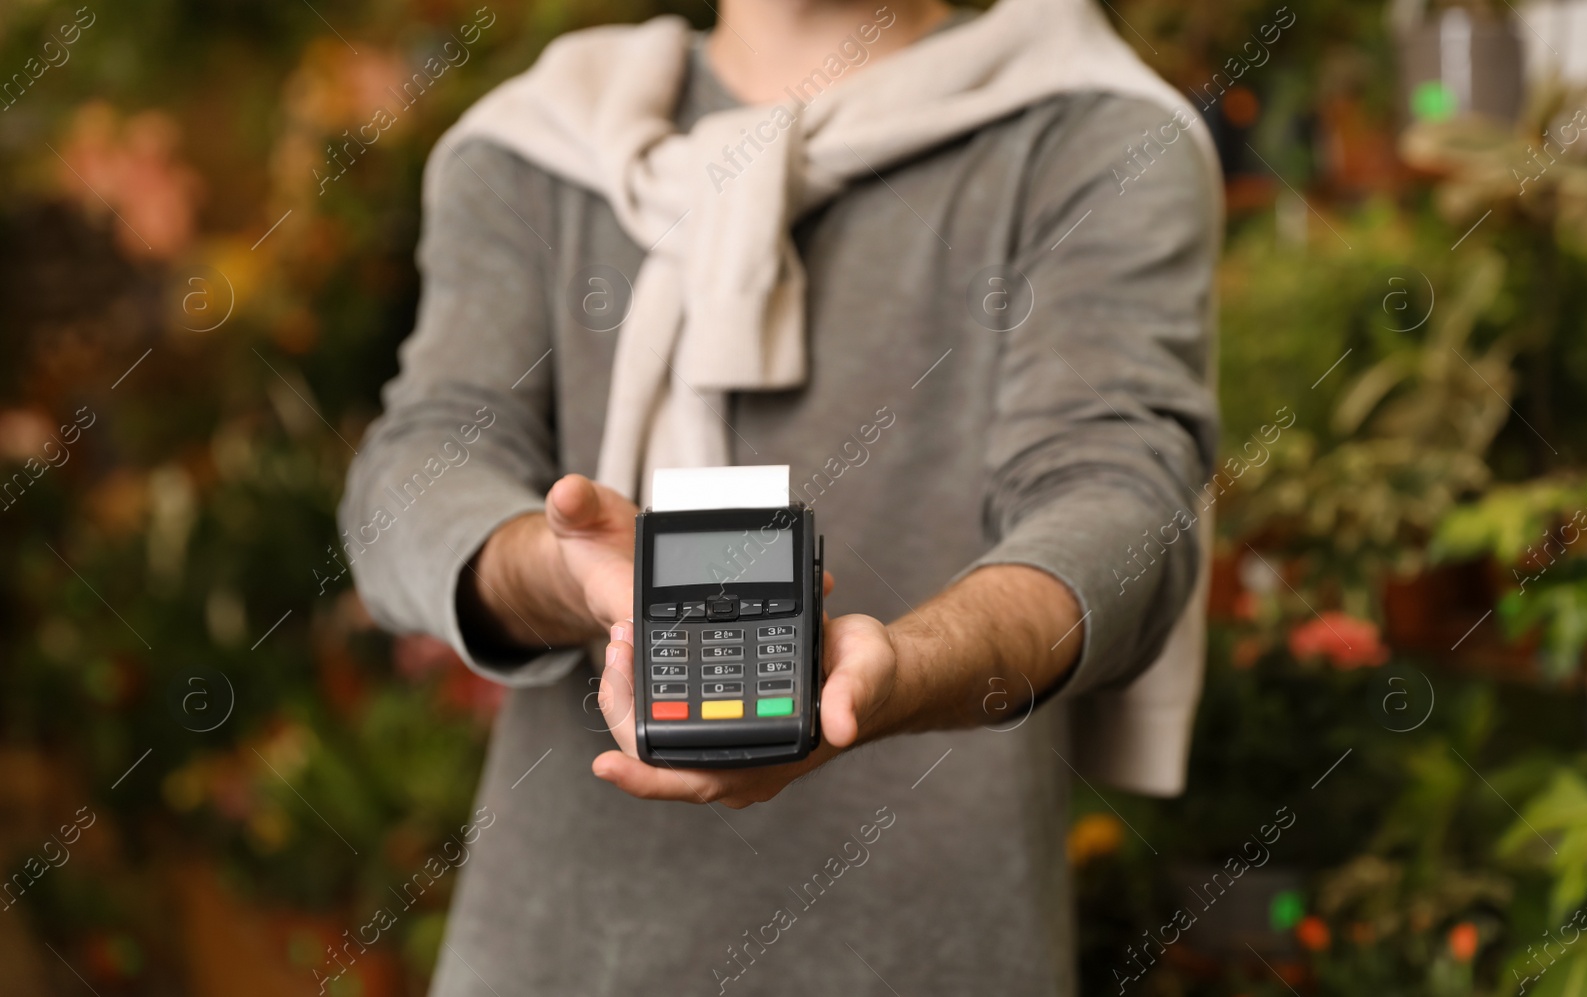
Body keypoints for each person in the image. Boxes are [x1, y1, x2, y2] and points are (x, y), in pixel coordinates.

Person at [339, 0, 1220, 990]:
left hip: (935, 945)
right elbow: (412, 478)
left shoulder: (1092, 133)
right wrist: (561, 571)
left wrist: (908, 667)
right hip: (556, 949)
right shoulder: (533, 142)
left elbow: (1123, 498)